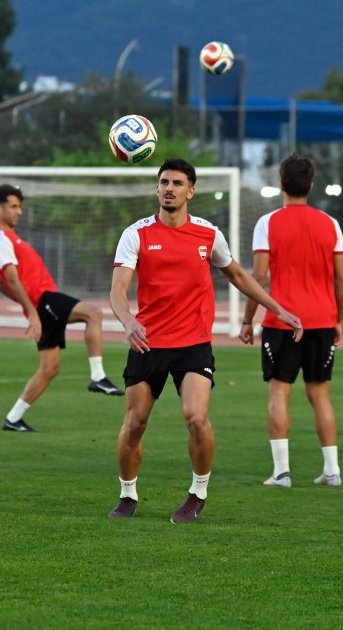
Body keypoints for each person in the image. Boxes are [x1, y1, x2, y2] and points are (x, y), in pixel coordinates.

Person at [108, 158, 303, 523]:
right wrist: (128, 321)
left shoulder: (208, 234)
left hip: (193, 343)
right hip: (148, 342)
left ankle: (198, 493)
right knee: (134, 424)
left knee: (196, 418)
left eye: (177, 183)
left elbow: (239, 276)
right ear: (157, 188)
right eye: (164, 182)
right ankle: (127, 494)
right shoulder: (136, 234)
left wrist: (279, 309)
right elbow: (118, 290)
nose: (169, 188)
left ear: (191, 191)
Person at [239, 154, 343, 488]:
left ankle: (282, 472)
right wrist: (338, 320)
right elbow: (342, 280)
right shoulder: (331, 224)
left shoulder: (267, 223)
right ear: (311, 185)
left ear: (281, 183)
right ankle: (332, 471)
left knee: (278, 393)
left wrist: (248, 320)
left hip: (282, 322)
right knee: (320, 395)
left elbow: (258, 276)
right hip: (322, 321)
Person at [0, 184, 125, 433]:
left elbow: (1, 285)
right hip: (44, 299)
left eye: (20, 207)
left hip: (41, 303)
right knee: (93, 314)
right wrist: (33, 311)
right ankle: (97, 377)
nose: (19, 212)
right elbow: (11, 280)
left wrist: (31, 310)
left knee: (49, 369)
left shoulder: (9, 238)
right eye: (14, 206)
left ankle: (13, 419)